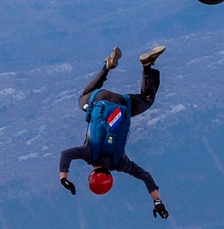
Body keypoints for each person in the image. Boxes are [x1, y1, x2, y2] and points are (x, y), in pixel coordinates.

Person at [59, 45, 168, 218]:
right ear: (91, 175)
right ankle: (106, 67)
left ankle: (147, 66)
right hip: (99, 98)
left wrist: (158, 202)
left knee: (147, 99)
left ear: (111, 177)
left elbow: (145, 177)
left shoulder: (121, 163)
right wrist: (64, 178)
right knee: (82, 99)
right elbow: (66, 154)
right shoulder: (89, 153)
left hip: (124, 104)